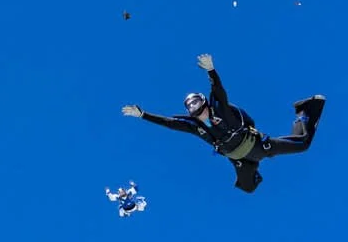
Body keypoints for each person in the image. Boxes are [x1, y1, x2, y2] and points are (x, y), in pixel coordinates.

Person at [122, 53, 322, 194]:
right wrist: (142, 115)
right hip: (239, 159)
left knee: (303, 144)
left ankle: (305, 109)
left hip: (259, 146)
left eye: (196, 100)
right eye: (189, 104)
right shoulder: (194, 126)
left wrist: (211, 70)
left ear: (204, 101)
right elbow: (169, 123)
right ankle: (254, 175)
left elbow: (218, 89)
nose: (193, 105)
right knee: (248, 188)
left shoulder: (220, 109)